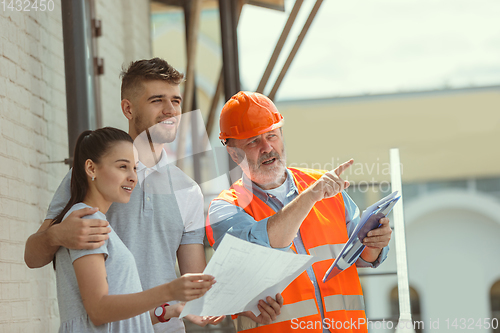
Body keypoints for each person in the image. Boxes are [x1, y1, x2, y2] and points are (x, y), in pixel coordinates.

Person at [24, 59, 281, 332]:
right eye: (157, 100)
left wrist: (242, 304)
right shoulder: (97, 176)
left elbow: (194, 286)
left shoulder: (189, 190)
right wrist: (57, 235)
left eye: (176, 101)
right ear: (128, 108)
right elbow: (33, 256)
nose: (170, 110)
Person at [206, 91, 393, 333]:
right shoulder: (226, 208)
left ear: (281, 135)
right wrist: (310, 197)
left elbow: (361, 256)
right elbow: (262, 253)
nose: (266, 147)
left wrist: (375, 243)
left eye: (271, 135)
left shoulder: (324, 186)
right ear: (233, 153)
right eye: (253, 141)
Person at [52, 127, 214, 332]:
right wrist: (169, 290)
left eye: (135, 168)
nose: (133, 177)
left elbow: (119, 317)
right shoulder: (87, 222)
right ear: (91, 169)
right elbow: (99, 311)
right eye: (122, 167)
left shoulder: (99, 221)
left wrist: (169, 311)